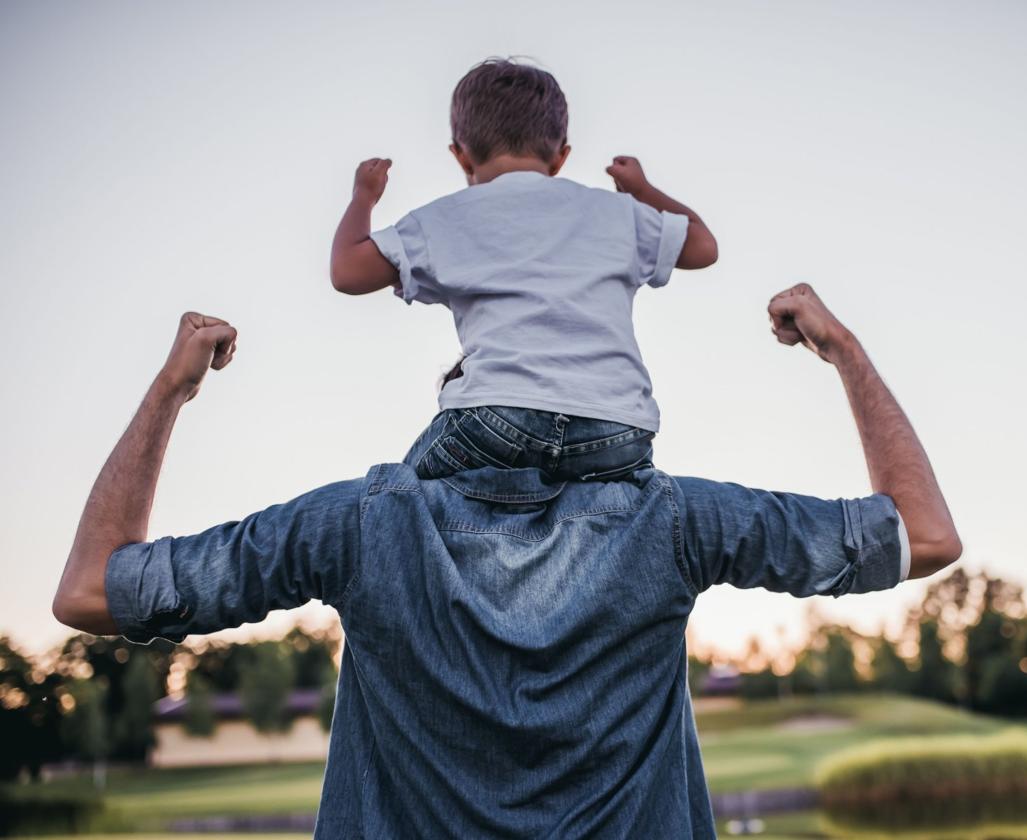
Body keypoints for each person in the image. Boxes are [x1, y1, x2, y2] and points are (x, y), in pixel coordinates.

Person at [53, 284, 961, 838]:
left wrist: (173, 388)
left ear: (452, 406)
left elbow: (93, 589)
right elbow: (925, 535)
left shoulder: (359, 526)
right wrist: (841, 349)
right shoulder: (675, 522)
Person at [329, 58, 719, 482]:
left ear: (460, 156)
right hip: (618, 430)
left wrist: (363, 197)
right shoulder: (616, 213)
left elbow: (347, 271)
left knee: (398, 497)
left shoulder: (446, 219)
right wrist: (642, 190)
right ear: (561, 157)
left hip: (498, 421)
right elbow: (703, 246)